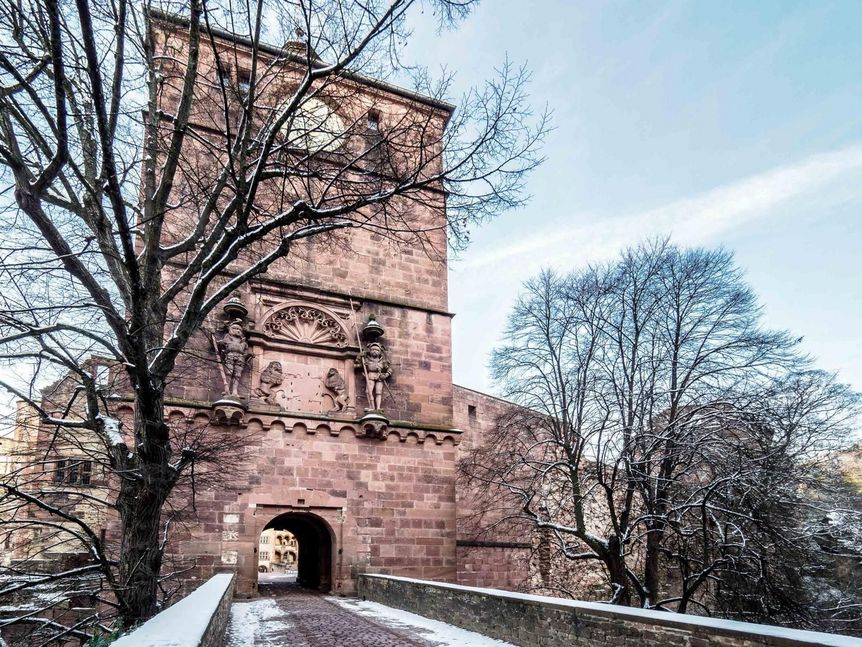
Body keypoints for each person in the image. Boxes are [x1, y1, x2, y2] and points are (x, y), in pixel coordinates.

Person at [358, 342, 391, 411]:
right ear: (370, 351)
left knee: (378, 392)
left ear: (379, 352)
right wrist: (360, 357)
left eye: (377, 350)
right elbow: (357, 365)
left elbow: (389, 370)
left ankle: (378, 408)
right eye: (372, 349)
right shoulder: (366, 359)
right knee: (368, 391)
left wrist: (385, 375)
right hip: (370, 376)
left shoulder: (382, 361)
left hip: (379, 377)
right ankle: (371, 407)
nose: (374, 351)